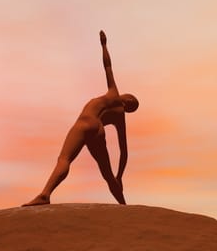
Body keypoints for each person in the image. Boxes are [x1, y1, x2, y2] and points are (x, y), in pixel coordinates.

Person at [23, 30, 138, 206]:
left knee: (64, 159)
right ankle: (123, 203)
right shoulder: (120, 117)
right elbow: (124, 151)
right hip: (98, 132)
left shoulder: (113, 93)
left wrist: (104, 45)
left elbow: (108, 66)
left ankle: (45, 194)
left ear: (128, 100)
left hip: (86, 123)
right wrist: (119, 175)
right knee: (108, 174)